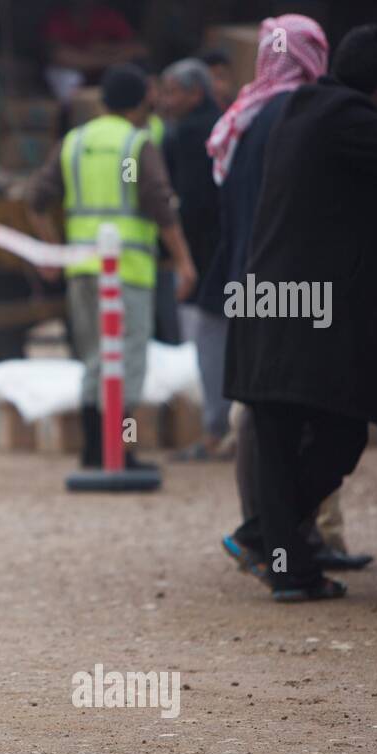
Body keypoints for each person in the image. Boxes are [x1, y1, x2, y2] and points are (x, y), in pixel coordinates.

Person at [222, 25, 377, 602]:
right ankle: (278, 554)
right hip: (299, 314)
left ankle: (275, 552)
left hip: (263, 304)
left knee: (280, 439)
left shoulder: (299, 108)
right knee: (342, 430)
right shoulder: (344, 118)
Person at [28, 62, 196, 470]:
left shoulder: (75, 140)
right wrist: (184, 261)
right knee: (127, 360)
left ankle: (92, 452)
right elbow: (161, 206)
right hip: (128, 270)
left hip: (81, 269)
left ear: (103, 101)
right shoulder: (137, 144)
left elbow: (35, 199)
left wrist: (52, 250)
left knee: (93, 358)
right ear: (143, 102)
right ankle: (121, 452)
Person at [160, 58, 225, 459]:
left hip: (203, 254)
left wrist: (183, 258)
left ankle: (215, 430)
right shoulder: (228, 123)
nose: (165, 101)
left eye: (173, 92)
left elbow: (190, 202)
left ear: (195, 93)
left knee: (209, 339)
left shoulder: (186, 134)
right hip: (234, 248)